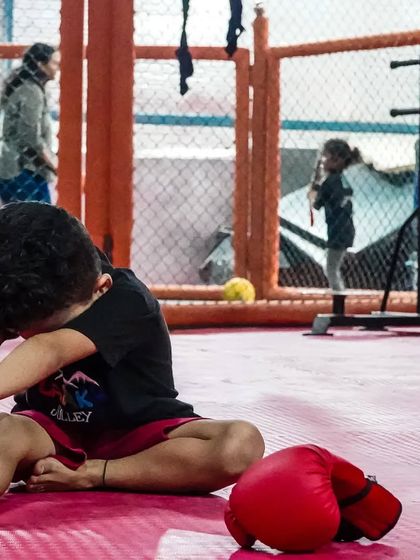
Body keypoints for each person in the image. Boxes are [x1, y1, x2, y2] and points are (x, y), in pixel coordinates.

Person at [0, 202, 264, 495]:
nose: (24, 336)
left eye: (48, 326)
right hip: (49, 430)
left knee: (241, 443)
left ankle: (95, 473)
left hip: (139, 436)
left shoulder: (128, 299)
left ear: (101, 287)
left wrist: (97, 473)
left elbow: (49, 349)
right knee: (5, 434)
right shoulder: (20, 288)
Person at [0, 43, 60, 205]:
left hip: (19, 168)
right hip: (23, 170)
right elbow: (30, 135)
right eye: (54, 63)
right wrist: (53, 163)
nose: (57, 68)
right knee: (40, 223)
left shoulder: (26, 88)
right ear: (41, 64)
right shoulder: (32, 91)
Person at [308, 139, 361, 292]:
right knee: (333, 265)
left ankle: (338, 296)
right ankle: (338, 294)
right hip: (346, 228)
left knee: (331, 268)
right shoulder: (342, 180)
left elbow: (315, 204)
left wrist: (316, 181)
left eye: (325, 158)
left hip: (337, 231)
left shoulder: (329, 182)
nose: (322, 162)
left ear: (336, 161)